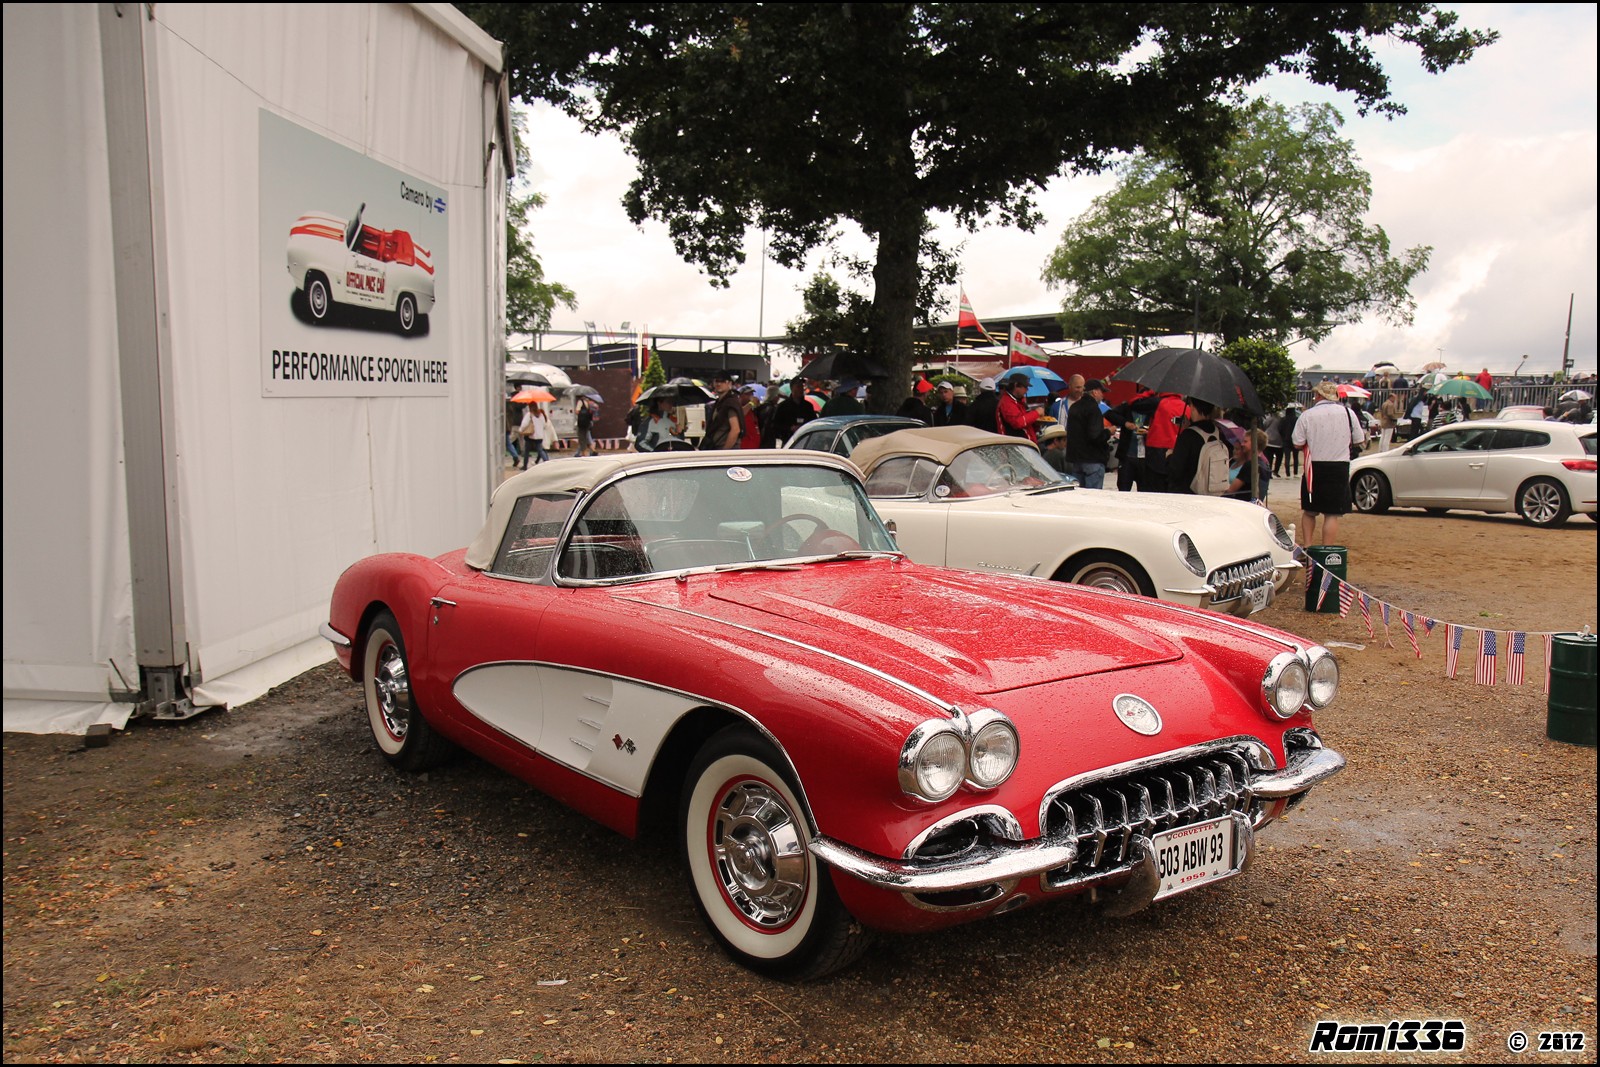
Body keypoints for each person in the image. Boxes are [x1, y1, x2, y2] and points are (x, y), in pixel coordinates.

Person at [1292, 380, 1365, 546]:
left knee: (1310, 511)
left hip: (1314, 467)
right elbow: (1359, 439)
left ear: (1318, 395)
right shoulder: (1348, 413)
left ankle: (1308, 547)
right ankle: (1327, 549)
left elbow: (1297, 442)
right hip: (1339, 465)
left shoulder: (1307, 415)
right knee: (1332, 514)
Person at [1168, 399, 1229, 494]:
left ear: (1193, 407)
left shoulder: (1188, 436)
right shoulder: (1218, 433)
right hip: (1213, 493)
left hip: (1188, 494)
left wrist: (1169, 456)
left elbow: (1175, 471)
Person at [1104, 388, 1160, 492]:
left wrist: (1151, 432)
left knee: (1145, 491)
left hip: (1145, 457)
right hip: (1127, 457)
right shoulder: (1128, 407)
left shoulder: (1154, 410)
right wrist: (1125, 423)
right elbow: (1109, 414)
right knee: (1123, 490)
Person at [1064, 378, 1111, 488]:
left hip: (1076, 459)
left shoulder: (1074, 407)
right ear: (1095, 392)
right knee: (1093, 498)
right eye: (1101, 392)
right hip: (1093, 459)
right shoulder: (1093, 409)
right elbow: (1095, 436)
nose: (1102, 395)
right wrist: (1108, 432)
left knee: (1080, 498)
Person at [1144, 392, 1188, 492]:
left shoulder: (1157, 403)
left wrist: (1149, 391)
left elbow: (1133, 402)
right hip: (1176, 452)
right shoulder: (1186, 407)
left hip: (1155, 452)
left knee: (1153, 491)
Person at [1225, 428, 1271, 504]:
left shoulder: (1250, 465)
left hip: (1241, 504)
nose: (1242, 444)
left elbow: (1231, 490)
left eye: (1245, 441)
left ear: (1255, 444)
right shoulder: (1264, 464)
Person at [765, 376, 815, 446]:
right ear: (792, 388)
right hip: (788, 442)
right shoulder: (783, 406)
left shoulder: (808, 406)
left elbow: (813, 422)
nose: (801, 389)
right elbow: (775, 425)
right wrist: (790, 428)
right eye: (798, 386)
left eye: (802, 386)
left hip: (805, 442)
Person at [699, 373, 744, 450]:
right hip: (716, 446)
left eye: (723, 381)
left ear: (729, 383)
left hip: (727, 450)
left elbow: (735, 429)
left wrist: (724, 451)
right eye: (716, 381)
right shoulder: (719, 402)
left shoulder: (731, 402)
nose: (719, 384)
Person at [996, 373, 1041, 441]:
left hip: (1024, 445)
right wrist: (1036, 413)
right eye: (1025, 387)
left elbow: (1026, 425)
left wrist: (1036, 424)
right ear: (1016, 385)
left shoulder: (1019, 402)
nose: (1027, 390)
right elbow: (1018, 422)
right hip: (1013, 445)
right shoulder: (1007, 402)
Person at [1278, 403, 1301, 476]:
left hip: (1286, 440)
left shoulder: (1283, 419)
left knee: (1287, 457)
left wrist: (1283, 436)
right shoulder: (1297, 419)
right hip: (1295, 440)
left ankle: (1288, 473)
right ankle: (1295, 473)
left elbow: (1280, 429)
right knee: (1295, 457)